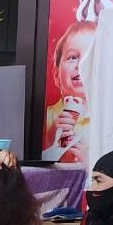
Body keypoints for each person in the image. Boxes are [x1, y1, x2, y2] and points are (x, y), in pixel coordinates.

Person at [42, 21, 95, 164]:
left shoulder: (106, 120)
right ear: (56, 74)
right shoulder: (46, 117)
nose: (81, 65)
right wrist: (51, 135)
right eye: (73, 57)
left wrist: (89, 162)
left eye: (90, 58)